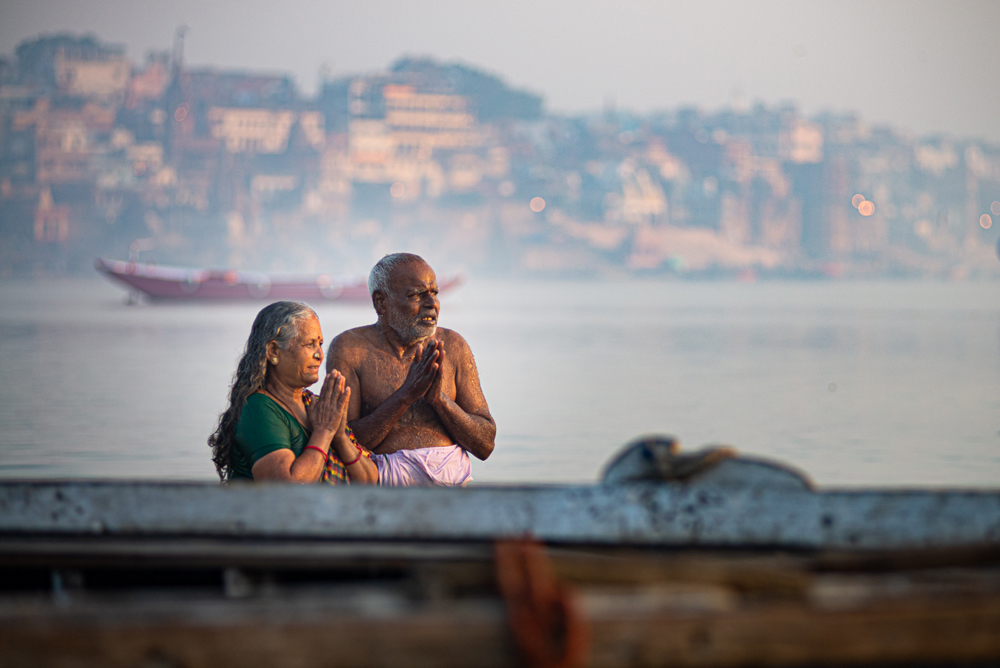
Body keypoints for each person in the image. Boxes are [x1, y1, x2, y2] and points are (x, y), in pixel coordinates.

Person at [326, 253, 496, 486]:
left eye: (434, 293)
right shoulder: (350, 349)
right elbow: (343, 442)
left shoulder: (454, 346)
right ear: (381, 302)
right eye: (416, 295)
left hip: (454, 496)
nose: (432, 304)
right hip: (381, 494)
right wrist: (406, 395)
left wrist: (439, 400)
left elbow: (485, 445)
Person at [208, 301, 378, 484]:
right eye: (309, 344)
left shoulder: (317, 406)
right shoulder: (258, 407)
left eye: (320, 343)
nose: (320, 354)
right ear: (273, 350)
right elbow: (286, 489)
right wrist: (324, 432)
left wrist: (339, 437)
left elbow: (370, 480)